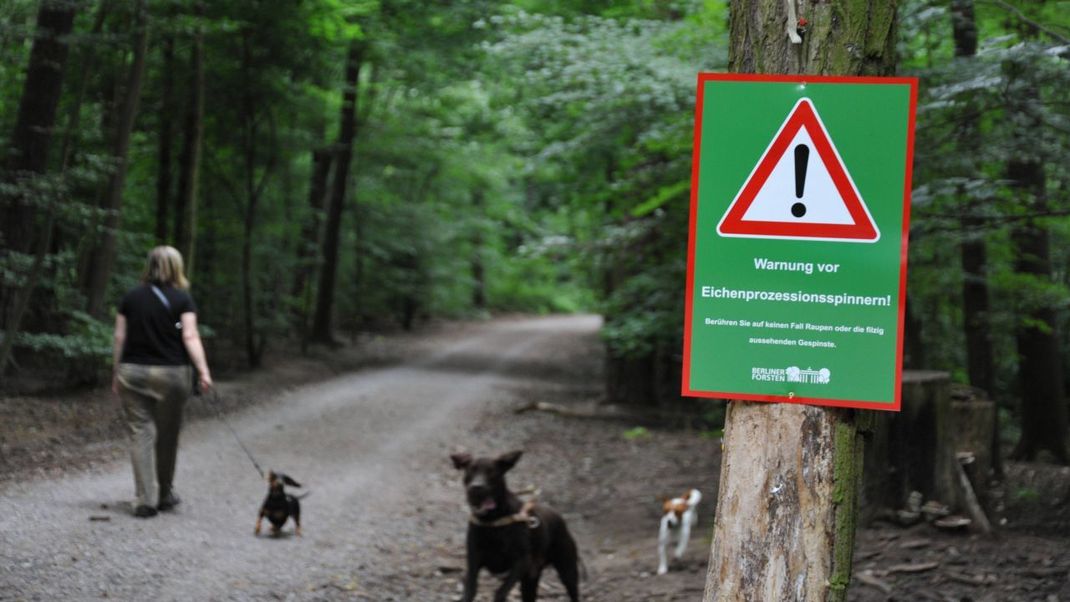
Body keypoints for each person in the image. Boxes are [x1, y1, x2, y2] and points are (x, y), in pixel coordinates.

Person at [112, 246, 212, 518]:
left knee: (140, 432)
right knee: (167, 435)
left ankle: (146, 498)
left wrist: (115, 373)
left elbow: (120, 337)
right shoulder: (182, 299)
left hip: (133, 372)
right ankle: (165, 494)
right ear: (177, 267)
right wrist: (203, 371)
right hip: (172, 374)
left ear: (149, 266)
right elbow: (189, 336)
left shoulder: (130, 297)